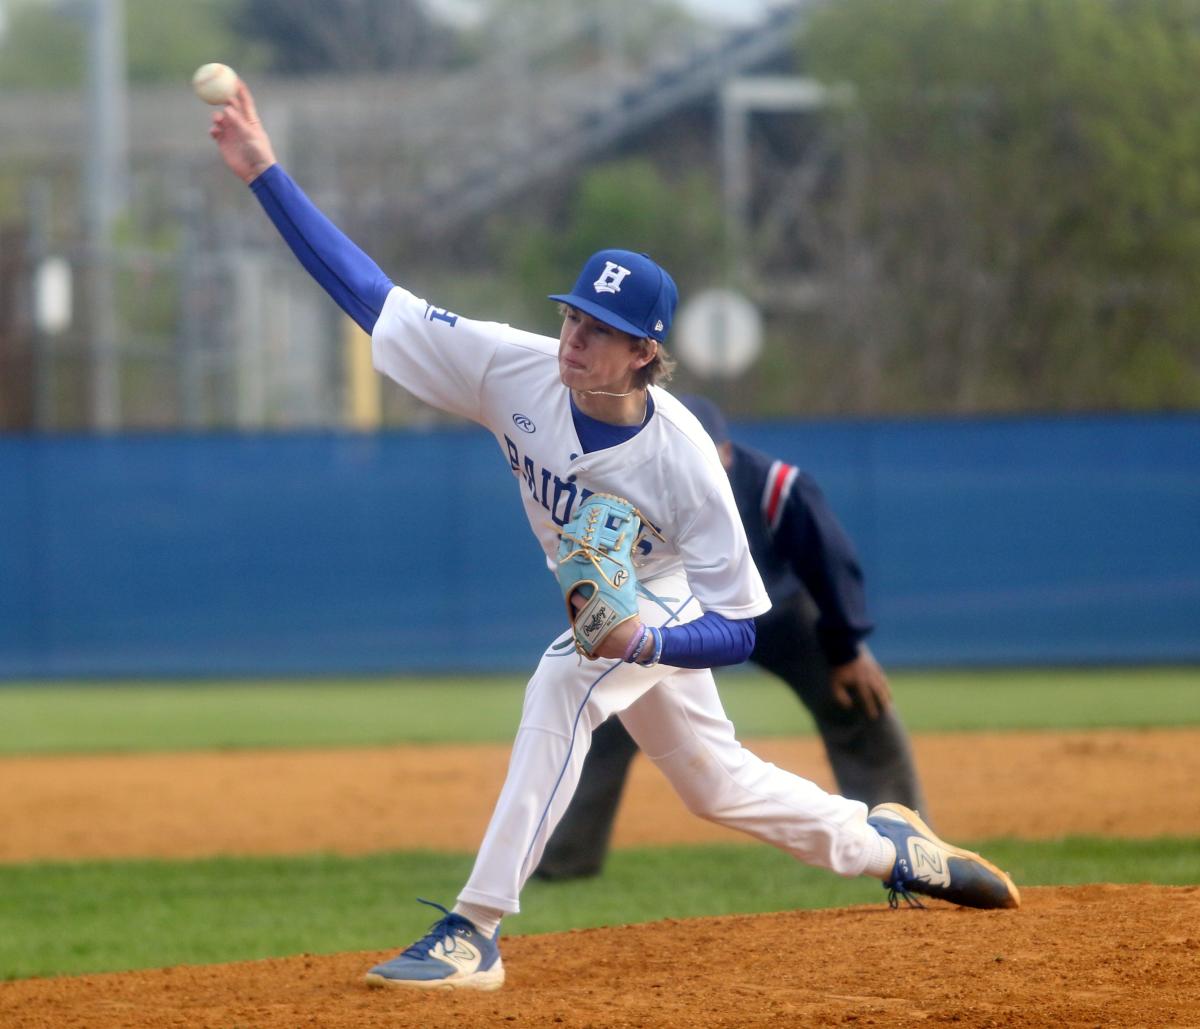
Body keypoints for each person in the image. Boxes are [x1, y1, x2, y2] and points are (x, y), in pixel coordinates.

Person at [207, 79, 1019, 994]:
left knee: (567, 672)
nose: (574, 340)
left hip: (659, 592)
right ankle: (887, 843)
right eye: (572, 317)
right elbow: (372, 297)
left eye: (602, 331)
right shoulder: (511, 369)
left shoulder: (682, 458)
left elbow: (743, 621)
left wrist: (653, 641)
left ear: (646, 353)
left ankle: (474, 928)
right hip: (615, 597)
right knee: (716, 783)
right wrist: (264, 174)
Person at [535, 394, 926, 881]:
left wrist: (847, 649)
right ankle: (562, 860)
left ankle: (908, 843)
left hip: (781, 613)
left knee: (859, 698)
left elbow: (831, 564)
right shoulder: (642, 480)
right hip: (688, 613)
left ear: (725, 451)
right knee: (610, 706)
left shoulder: (777, 486)